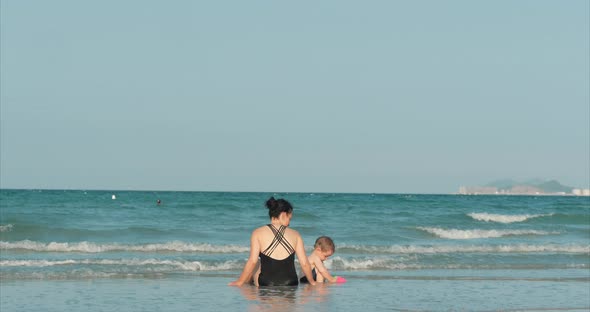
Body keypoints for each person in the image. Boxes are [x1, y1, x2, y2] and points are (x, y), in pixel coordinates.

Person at [229, 197, 316, 286]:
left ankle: (247, 288)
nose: (289, 223)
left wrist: (239, 282)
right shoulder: (296, 234)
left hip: (267, 282)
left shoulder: (257, 232)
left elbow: (252, 261)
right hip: (291, 282)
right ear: (283, 214)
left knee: (257, 264)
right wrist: (312, 282)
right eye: (289, 219)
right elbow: (304, 263)